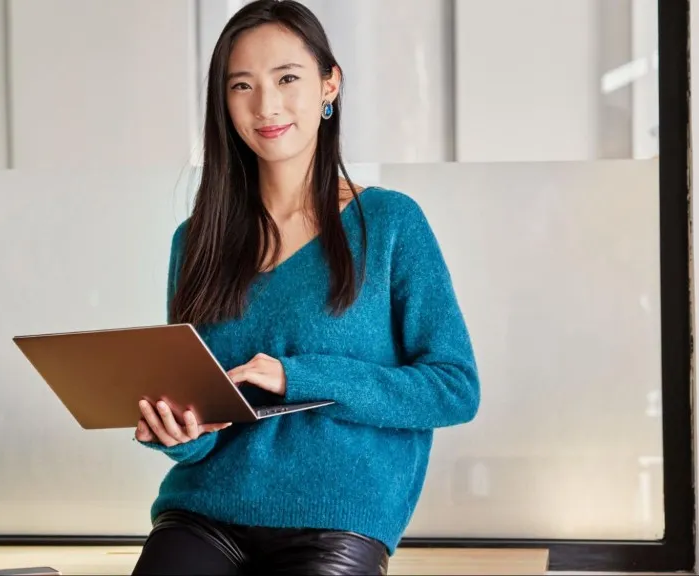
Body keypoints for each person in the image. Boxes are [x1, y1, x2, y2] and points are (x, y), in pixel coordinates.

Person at [131, 1, 480, 574]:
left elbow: (453, 388)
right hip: (204, 511)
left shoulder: (389, 223)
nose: (265, 105)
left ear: (329, 84)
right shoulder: (195, 240)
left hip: (335, 519)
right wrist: (177, 432)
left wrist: (297, 375)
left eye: (286, 78)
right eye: (241, 85)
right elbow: (203, 417)